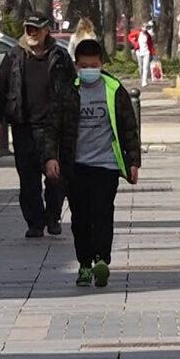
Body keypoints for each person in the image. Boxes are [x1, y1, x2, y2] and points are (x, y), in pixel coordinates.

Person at [44, 39, 141, 287]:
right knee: (80, 218)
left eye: (94, 66)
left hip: (106, 165)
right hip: (75, 166)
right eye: (84, 66)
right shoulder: (67, 92)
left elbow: (129, 128)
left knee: (103, 213)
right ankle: (84, 264)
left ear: (102, 64)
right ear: (76, 65)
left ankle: (101, 260)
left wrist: (133, 161)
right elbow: (53, 127)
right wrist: (51, 157)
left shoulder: (114, 90)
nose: (89, 70)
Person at [0, 11, 76, 238]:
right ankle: (35, 223)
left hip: (53, 128)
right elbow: (0, 90)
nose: (31, 33)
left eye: (35, 29)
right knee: (28, 179)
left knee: (56, 177)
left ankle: (53, 217)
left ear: (46, 31)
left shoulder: (59, 56)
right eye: (28, 29)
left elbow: (72, 87)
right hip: (23, 127)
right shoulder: (14, 56)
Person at [133, 21, 156, 88]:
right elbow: (130, 36)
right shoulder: (138, 33)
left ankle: (144, 81)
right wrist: (134, 43)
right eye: (144, 27)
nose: (145, 28)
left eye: (147, 27)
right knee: (141, 67)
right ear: (141, 27)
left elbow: (151, 45)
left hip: (146, 52)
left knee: (145, 67)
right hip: (139, 52)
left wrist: (153, 54)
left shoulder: (148, 36)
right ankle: (142, 78)